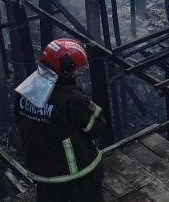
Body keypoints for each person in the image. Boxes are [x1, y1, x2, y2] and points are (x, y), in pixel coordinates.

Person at [15, 38, 106, 202]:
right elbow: (95, 128)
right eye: (74, 70)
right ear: (66, 69)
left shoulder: (24, 90)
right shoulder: (70, 98)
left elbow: (21, 123)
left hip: (42, 170)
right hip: (76, 170)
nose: (75, 73)